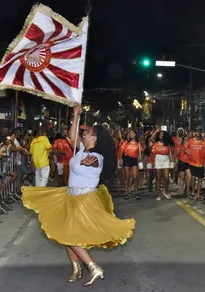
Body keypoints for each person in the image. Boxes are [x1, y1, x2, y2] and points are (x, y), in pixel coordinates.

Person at [21, 105, 135, 287]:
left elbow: (93, 163)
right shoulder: (82, 149)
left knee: (68, 234)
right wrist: (75, 115)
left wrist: (88, 163)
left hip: (83, 201)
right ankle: (76, 268)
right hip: (70, 196)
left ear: (95, 138)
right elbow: (73, 135)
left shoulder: (96, 156)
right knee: (67, 232)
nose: (84, 133)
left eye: (88, 132)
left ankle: (93, 267)